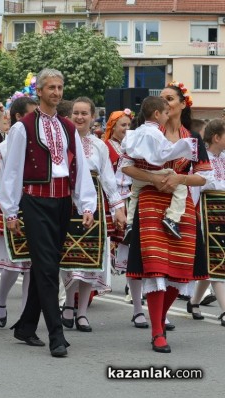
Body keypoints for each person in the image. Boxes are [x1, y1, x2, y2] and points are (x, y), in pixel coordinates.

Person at [0, 68, 97, 357]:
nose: (56, 92)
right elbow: (12, 171)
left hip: (62, 202)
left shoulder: (68, 127)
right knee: (46, 267)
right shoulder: (24, 127)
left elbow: (77, 167)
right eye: (50, 87)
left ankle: (26, 326)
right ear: (39, 91)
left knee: (48, 265)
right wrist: (9, 210)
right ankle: (57, 334)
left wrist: (87, 204)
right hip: (35, 202)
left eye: (59, 87)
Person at [121, 81, 212, 353]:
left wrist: (179, 178)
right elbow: (126, 167)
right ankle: (158, 331)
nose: (165, 103)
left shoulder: (193, 139)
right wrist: (154, 178)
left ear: (182, 105)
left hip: (182, 206)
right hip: (151, 200)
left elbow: (204, 176)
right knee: (156, 266)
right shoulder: (146, 133)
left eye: (170, 98)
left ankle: (158, 319)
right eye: (162, 99)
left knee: (181, 270)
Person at [59, 97, 126, 332]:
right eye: (75, 113)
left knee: (90, 259)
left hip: (94, 203)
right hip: (67, 200)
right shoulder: (62, 141)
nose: (79, 117)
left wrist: (118, 208)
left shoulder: (99, 145)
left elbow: (109, 179)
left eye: (84, 113)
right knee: (69, 256)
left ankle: (83, 313)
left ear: (93, 117)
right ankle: (68, 305)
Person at [0, 96, 37, 328]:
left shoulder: (39, 142)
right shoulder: (4, 146)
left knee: (31, 266)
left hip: (35, 208)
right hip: (11, 209)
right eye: (31, 115)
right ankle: (2, 299)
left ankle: (25, 316)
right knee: (12, 264)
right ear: (18, 118)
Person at [122, 96, 197, 241]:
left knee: (134, 196)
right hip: (156, 172)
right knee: (181, 188)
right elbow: (166, 152)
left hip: (138, 177)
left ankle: (130, 224)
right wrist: (184, 146)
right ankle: (172, 218)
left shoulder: (134, 132)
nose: (167, 117)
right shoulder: (157, 134)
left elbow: (126, 151)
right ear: (157, 114)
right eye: (166, 113)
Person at [102, 109, 150, 327]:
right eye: (122, 125)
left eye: (128, 125)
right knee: (128, 254)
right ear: (112, 127)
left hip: (134, 200)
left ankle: (140, 305)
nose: (126, 129)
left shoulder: (133, 146)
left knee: (138, 253)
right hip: (113, 203)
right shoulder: (105, 147)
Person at [188, 118, 225, 327]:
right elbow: (201, 184)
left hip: (222, 211)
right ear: (217, 137)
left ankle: (194, 302)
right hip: (208, 212)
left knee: (214, 261)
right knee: (216, 259)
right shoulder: (204, 159)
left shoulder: (223, 158)